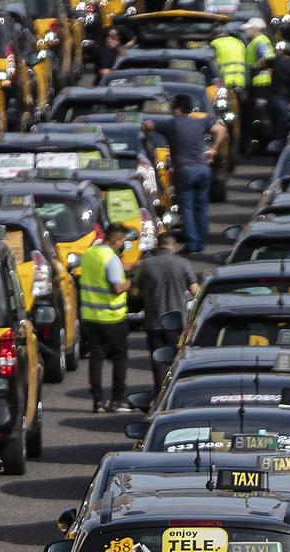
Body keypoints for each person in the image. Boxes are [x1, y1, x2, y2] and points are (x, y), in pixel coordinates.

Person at [146, 96, 227, 254]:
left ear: (177, 109)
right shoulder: (200, 122)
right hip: (203, 170)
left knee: (188, 208)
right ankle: (201, 242)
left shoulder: (172, 123)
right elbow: (221, 130)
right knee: (201, 207)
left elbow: (148, 124)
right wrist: (213, 149)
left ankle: (193, 243)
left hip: (185, 171)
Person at [130, 228, 199, 394]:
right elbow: (196, 292)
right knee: (177, 361)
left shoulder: (146, 265)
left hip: (153, 323)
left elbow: (135, 292)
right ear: (174, 247)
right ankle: (175, 393)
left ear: (156, 246)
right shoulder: (183, 264)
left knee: (158, 362)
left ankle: (160, 394)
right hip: (177, 324)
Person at [77, 223, 133, 413]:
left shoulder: (90, 253)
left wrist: (132, 265)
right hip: (112, 317)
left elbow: (104, 271)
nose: (123, 245)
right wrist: (130, 283)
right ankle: (118, 400)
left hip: (90, 317)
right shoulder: (111, 258)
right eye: (123, 241)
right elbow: (117, 287)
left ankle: (98, 401)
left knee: (96, 358)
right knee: (120, 358)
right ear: (116, 240)